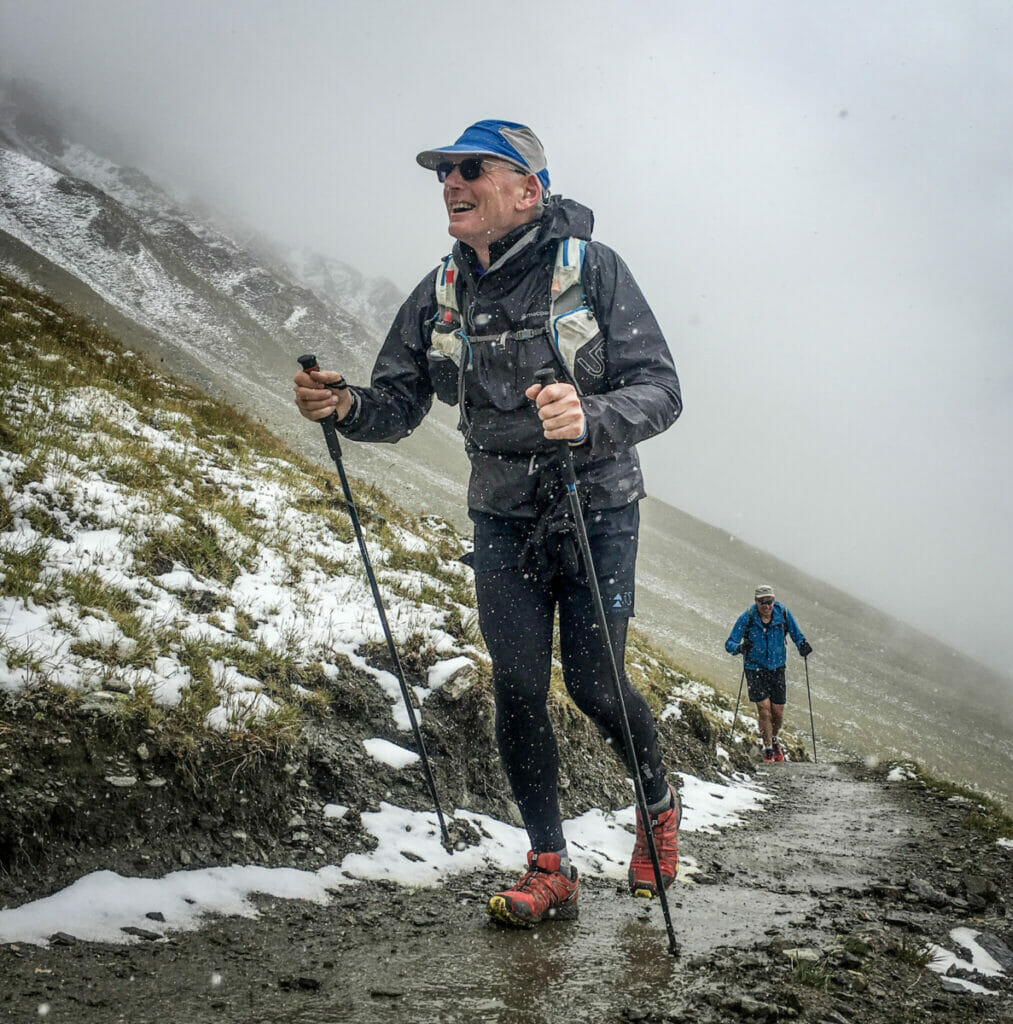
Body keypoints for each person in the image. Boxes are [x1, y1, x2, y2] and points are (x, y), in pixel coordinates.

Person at [294, 119, 683, 927]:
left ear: (528, 190)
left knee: (594, 683)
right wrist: (345, 406)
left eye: (472, 168)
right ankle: (549, 866)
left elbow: (661, 388)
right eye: (444, 172)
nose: (451, 182)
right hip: (501, 513)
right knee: (517, 686)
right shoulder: (442, 289)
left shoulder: (594, 270)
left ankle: (657, 804)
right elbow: (397, 402)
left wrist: (591, 415)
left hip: (596, 508)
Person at [725, 584, 812, 762]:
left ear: (774, 600)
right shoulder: (748, 617)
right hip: (754, 668)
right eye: (762, 602)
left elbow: (796, 633)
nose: (767, 606)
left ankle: (773, 739)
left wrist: (802, 644)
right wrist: (740, 648)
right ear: (756, 601)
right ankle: (769, 750)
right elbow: (729, 643)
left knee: (777, 713)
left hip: (777, 668)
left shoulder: (783, 614)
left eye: (769, 601)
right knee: (765, 711)